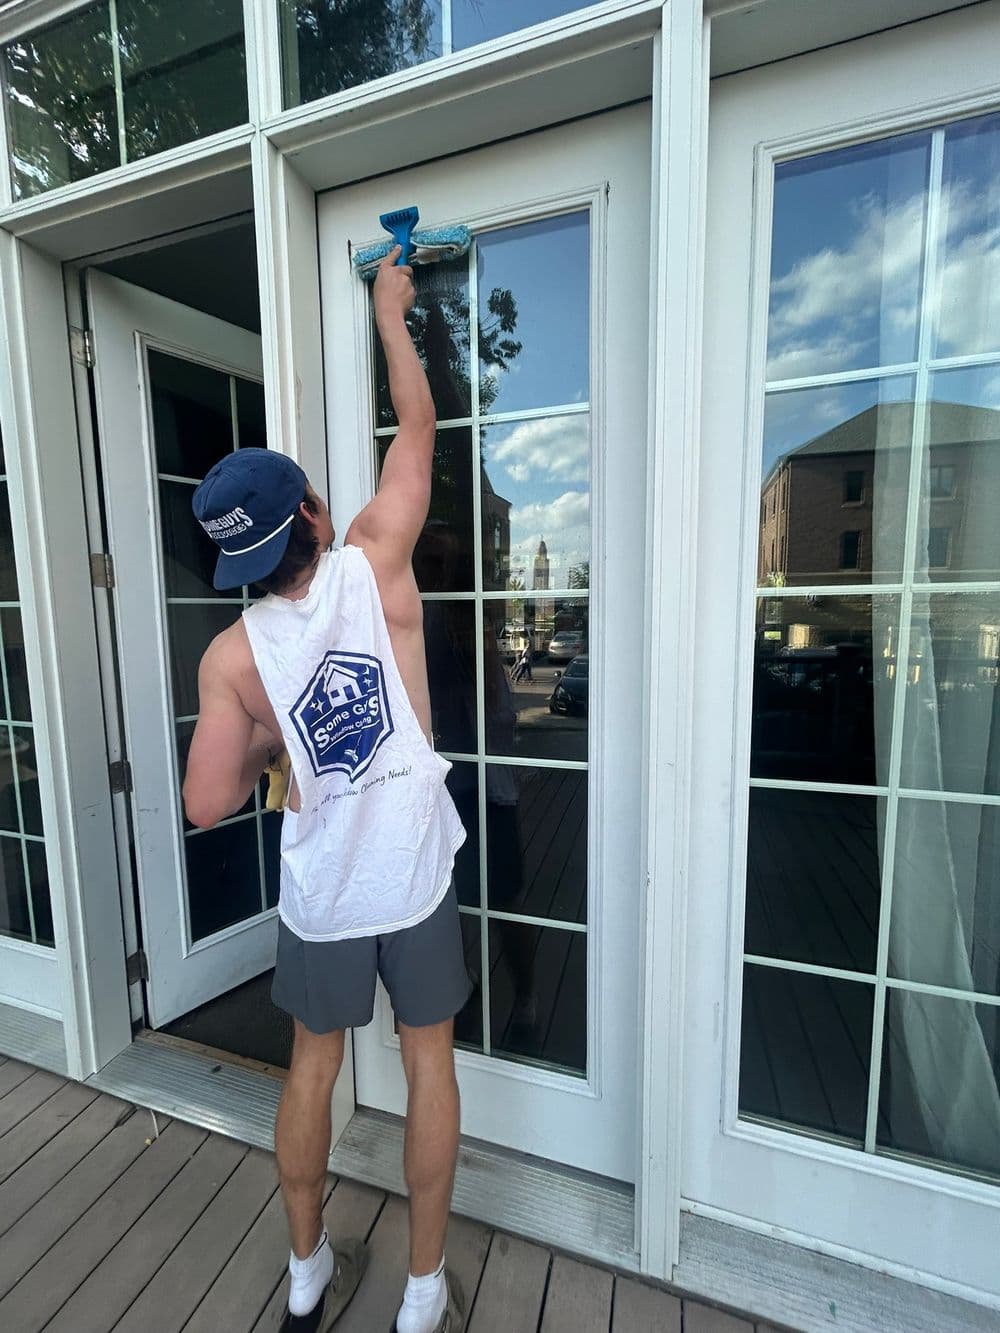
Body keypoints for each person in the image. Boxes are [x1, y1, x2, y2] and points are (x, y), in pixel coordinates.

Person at [183, 247, 469, 1333]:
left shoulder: (232, 655)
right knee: (427, 1062)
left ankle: (306, 1273)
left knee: (312, 1070)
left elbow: (208, 799)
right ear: (309, 510)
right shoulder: (374, 554)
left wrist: (271, 750)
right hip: (412, 870)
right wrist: (392, 313)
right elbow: (418, 434)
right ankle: (423, 1293)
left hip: (324, 895)